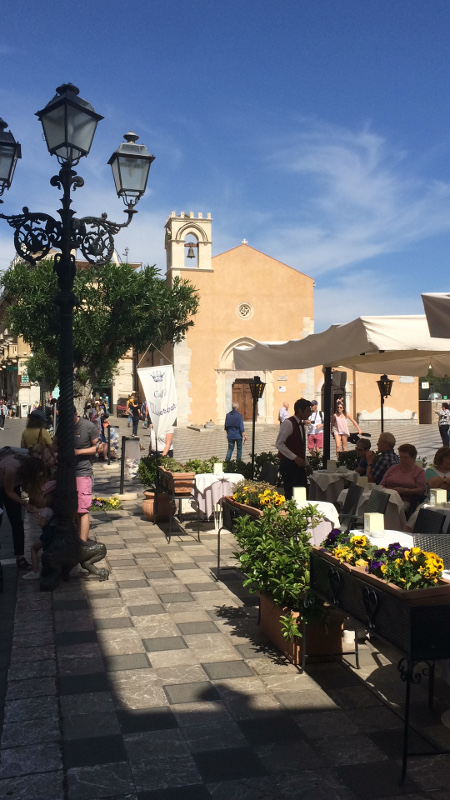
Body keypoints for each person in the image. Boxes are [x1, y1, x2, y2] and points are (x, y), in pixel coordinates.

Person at [55, 407, 99, 542]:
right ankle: (75, 537)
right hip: (65, 472)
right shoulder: (62, 427)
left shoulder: (88, 426)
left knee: (82, 509)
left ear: (75, 414)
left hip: (82, 471)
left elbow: (98, 447)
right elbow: (54, 445)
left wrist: (79, 452)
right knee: (70, 508)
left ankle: (82, 543)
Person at [276, 397, 312, 500]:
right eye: (307, 411)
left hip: (299, 465)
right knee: (290, 492)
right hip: (289, 465)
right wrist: (295, 458)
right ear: (300, 411)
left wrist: (307, 464)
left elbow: (300, 448)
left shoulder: (301, 425)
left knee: (302, 491)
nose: (309, 413)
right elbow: (279, 444)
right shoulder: (288, 423)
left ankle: (301, 512)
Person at [0, 451, 30, 569]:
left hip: (12, 486)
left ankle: (20, 556)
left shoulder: (29, 465)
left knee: (17, 521)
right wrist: (24, 503)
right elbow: (9, 492)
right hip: (4, 485)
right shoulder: (12, 468)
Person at [380, 443, 427, 515]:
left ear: (413, 458)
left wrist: (404, 490)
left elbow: (421, 490)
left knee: (389, 509)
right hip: (387, 497)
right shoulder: (393, 468)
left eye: (405, 457)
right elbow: (382, 484)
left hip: (404, 500)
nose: (402, 460)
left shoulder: (419, 472)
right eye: (401, 457)